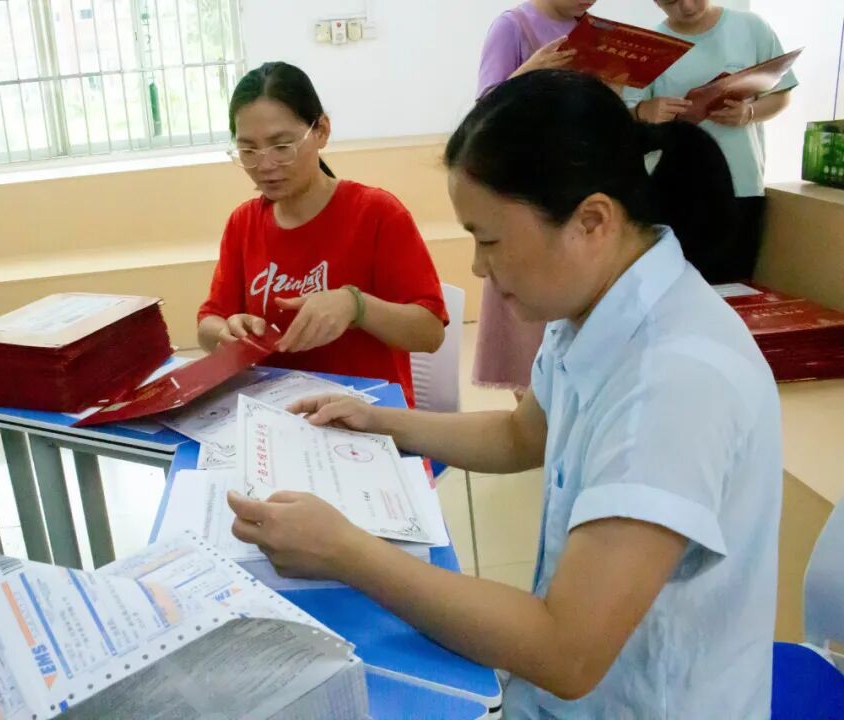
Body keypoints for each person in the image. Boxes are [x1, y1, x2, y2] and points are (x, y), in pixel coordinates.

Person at [227, 70, 782, 717]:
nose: (478, 268)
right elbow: (524, 434)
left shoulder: (674, 383)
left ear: (592, 221)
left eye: (489, 240)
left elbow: (566, 652)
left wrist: (346, 551)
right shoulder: (594, 308)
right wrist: (379, 422)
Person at [196, 62, 448, 407]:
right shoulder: (244, 223)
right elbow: (208, 325)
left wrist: (356, 306)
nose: (265, 166)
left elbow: (430, 333)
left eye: (282, 146)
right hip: (275, 411)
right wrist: (228, 332)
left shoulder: (376, 214)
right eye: (249, 150)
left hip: (365, 413)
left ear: (322, 131)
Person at [472, 0, 597, 391]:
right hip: (526, 195)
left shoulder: (593, 29)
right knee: (527, 330)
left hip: (577, 188)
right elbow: (483, 116)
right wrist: (528, 73)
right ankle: (533, 418)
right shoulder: (513, 26)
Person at [628, 0, 797, 282]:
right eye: (671, 1)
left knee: (732, 285)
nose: (687, 6)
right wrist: (643, 111)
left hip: (741, 185)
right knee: (670, 286)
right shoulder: (649, 45)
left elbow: (781, 95)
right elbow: (624, 121)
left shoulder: (751, 27)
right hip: (675, 189)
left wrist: (749, 113)